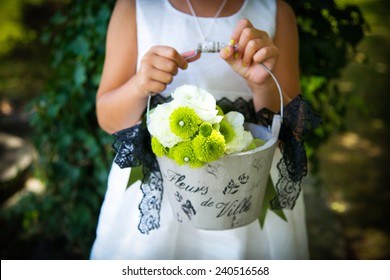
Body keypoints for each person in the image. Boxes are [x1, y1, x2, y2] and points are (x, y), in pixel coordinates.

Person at [91, 0, 320, 259]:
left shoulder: (275, 11)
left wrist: (263, 85)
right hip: (162, 189)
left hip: (248, 193)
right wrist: (139, 86)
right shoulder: (136, 7)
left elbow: (293, 132)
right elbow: (108, 119)